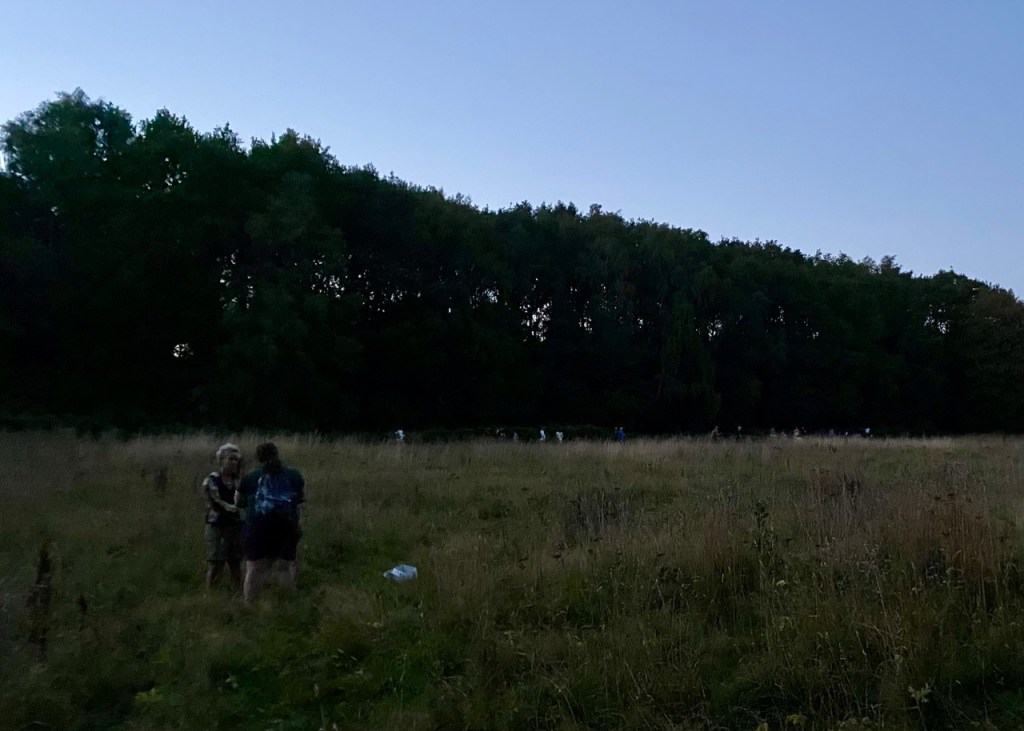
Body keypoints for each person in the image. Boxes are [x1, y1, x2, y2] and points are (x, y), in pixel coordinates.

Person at [238, 442, 305, 604]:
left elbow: (240, 503)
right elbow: (299, 500)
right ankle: (291, 605)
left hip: (259, 526)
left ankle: (249, 605)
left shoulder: (251, 477)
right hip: (287, 526)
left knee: (254, 568)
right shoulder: (294, 476)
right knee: (285, 567)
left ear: (258, 458)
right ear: (277, 454)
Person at [202, 443, 244, 591]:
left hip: (235, 525)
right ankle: (209, 595)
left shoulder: (238, 481)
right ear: (221, 460)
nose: (234, 463)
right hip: (217, 525)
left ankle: (237, 594)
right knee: (216, 563)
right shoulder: (212, 480)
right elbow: (215, 502)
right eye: (231, 459)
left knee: (235, 562)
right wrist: (235, 508)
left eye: (236, 460)